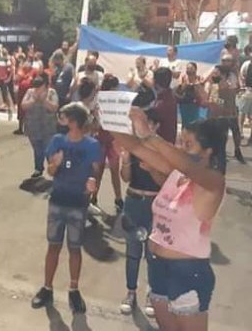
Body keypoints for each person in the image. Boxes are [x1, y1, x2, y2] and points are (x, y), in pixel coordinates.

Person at [111, 109, 227, 331]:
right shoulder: (177, 174)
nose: (180, 148)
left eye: (188, 144)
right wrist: (109, 120)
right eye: (180, 141)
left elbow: (187, 164)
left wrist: (150, 135)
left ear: (208, 152)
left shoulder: (213, 182)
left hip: (187, 272)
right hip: (158, 266)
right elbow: (136, 148)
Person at [31, 103, 101, 313]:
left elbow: (96, 172)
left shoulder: (92, 145)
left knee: (74, 248)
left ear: (73, 121)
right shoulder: (57, 141)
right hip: (57, 200)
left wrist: (93, 183)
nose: (60, 119)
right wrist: (56, 164)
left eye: (64, 117)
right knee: (53, 245)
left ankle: (73, 289)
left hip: (78, 203)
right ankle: (47, 287)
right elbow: (50, 171)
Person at [118, 108, 163, 317]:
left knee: (152, 254)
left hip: (154, 203)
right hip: (134, 200)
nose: (144, 128)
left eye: (149, 124)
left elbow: (163, 182)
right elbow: (125, 177)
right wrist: (126, 160)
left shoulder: (163, 149)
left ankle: (151, 294)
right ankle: (130, 292)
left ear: (156, 126)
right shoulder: (132, 146)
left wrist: (152, 169)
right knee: (132, 252)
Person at [95, 75, 124, 213]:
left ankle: (118, 198)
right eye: (115, 87)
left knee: (113, 170)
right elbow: (97, 119)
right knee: (98, 171)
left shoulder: (116, 100)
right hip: (104, 138)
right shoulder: (100, 99)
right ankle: (93, 197)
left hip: (112, 139)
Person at [21, 75, 59, 178]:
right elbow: (23, 105)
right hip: (33, 126)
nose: (36, 89)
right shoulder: (30, 92)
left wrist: (44, 101)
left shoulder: (52, 92)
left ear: (46, 86)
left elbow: (54, 107)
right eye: (35, 86)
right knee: (37, 149)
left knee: (49, 150)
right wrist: (33, 100)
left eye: (39, 87)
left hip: (48, 128)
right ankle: (38, 169)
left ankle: (54, 171)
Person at [175, 62, 204, 128]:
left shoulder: (199, 78)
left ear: (195, 69)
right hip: (184, 103)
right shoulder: (183, 78)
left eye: (191, 68)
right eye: (187, 68)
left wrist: (196, 85)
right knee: (185, 122)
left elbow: (201, 90)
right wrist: (185, 85)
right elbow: (180, 89)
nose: (189, 70)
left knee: (194, 122)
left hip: (195, 104)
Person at [153, 67, 178, 144]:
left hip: (160, 144)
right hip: (169, 141)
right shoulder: (171, 96)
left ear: (155, 82)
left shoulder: (161, 104)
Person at [15, 56, 36, 135]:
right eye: (26, 62)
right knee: (20, 111)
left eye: (29, 62)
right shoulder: (21, 70)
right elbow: (16, 79)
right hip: (21, 93)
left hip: (30, 94)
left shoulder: (34, 71)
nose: (27, 64)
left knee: (29, 111)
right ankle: (20, 128)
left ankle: (29, 129)